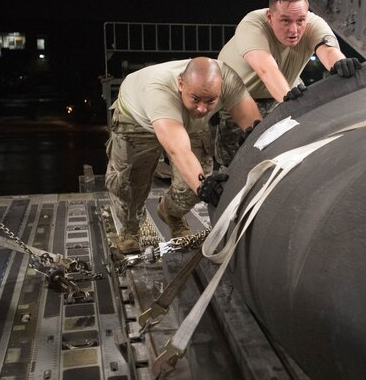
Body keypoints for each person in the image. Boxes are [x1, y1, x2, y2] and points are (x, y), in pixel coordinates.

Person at [105, 57, 261, 254]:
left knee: (193, 184)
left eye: (211, 101)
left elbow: (256, 128)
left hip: (190, 123)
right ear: (180, 83)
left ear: (220, 89)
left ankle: (170, 213)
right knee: (128, 185)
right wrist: (202, 185)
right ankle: (130, 227)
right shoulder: (159, 92)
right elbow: (178, 150)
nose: (202, 109)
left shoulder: (227, 80)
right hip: (136, 123)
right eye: (196, 98)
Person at [214, 0, 363, 168]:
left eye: (300, 20)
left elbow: (328, 51)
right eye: (285, 21)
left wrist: (340, 64)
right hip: (242, 96)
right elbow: (266, 70)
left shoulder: (312, 22)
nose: (294, 30)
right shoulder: (252, 24)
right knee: (235, 160)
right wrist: (291, 104)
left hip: (285, 90)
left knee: (291, 147)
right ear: (270, 16)